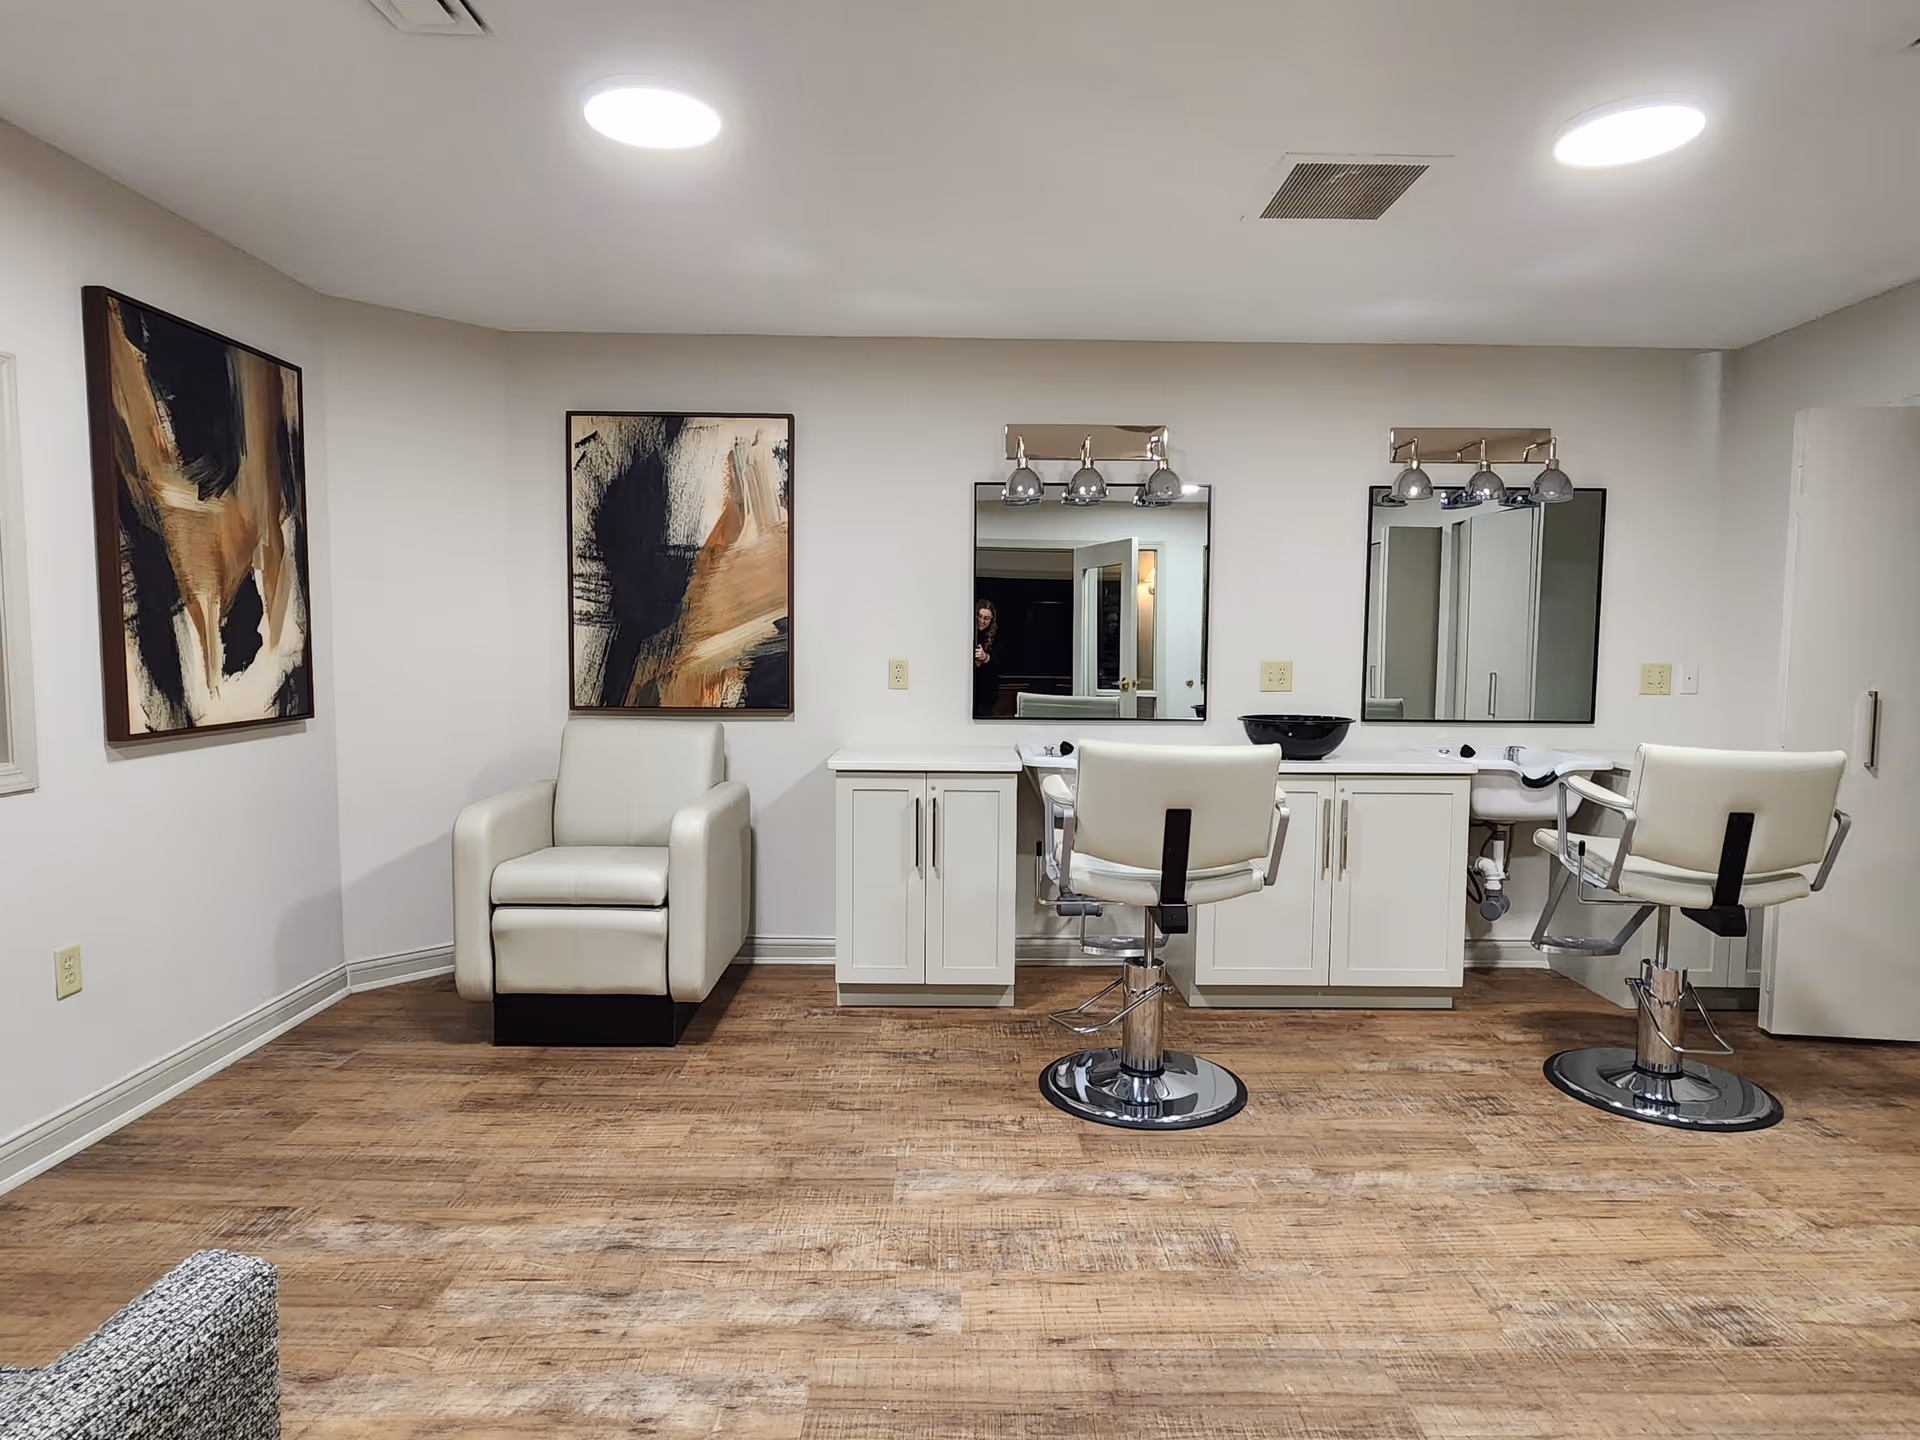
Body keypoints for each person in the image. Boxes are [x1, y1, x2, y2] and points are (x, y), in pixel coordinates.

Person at [972, 598, 1000, 718]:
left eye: (986, 618)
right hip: (964, 690)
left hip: (985, 692)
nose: (982, 621)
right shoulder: (966, 630)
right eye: (979, 616)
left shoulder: (997, 635)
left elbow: (1000, 662)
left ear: (992, 620)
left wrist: (985, 657)